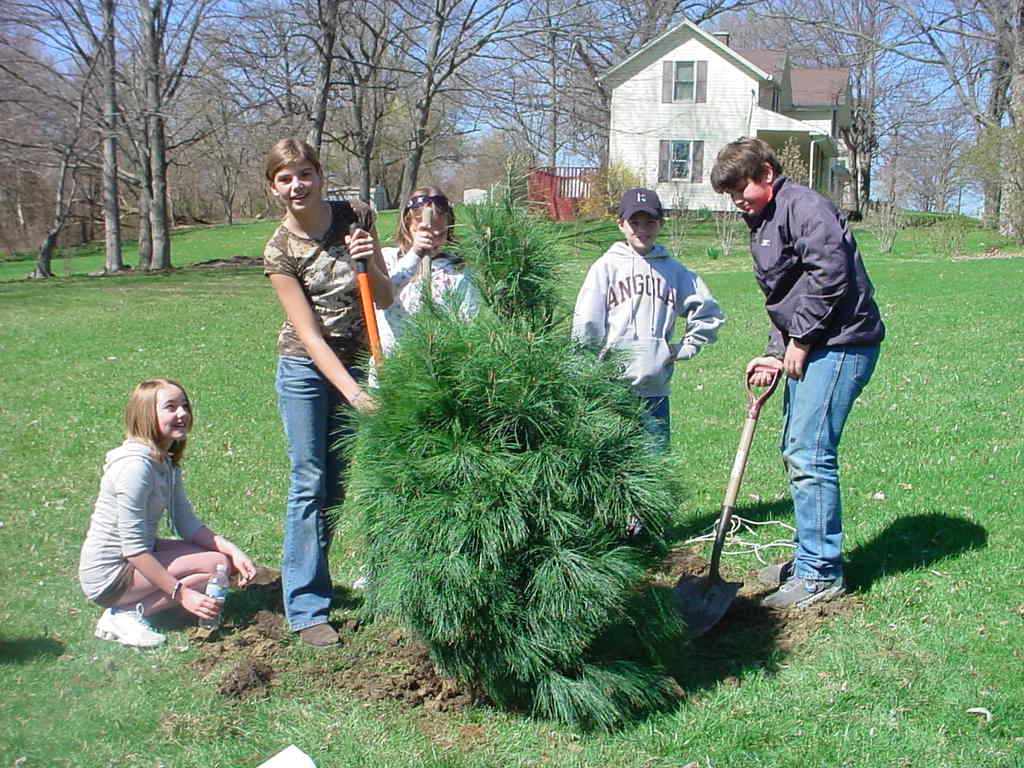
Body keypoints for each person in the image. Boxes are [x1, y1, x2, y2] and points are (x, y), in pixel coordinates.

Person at [710, 137, 885, 609]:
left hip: (844, 342)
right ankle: (810, 556)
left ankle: (821, 573)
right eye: (728, 197)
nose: (736, 203)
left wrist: (801, 340)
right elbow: (783, 297)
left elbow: (831, 277)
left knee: (810, 452)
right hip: (813, 343)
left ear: (766, 174)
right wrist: (776, 351)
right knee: (797, 448)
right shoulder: (762, 221)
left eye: (739, 191)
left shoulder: (808, 208)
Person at [262, 138, 394, 648]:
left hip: (357, 357)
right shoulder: (279, 250)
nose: (297, 185)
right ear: (274, 186)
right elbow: (310, 335)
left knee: (336, 485)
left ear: (319, 174)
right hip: (306, 369)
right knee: (309, 480)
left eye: (305, 174)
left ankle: (319, 588)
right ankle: (305, 607)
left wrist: (371, 260)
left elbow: (384, 296)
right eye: (285, 178)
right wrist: (354, 394)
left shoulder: (356, 215)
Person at [78, 379, 257, 649]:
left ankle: (142, 606)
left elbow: (187, 524)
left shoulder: (164, 462)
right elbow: (134, 550)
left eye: (185, 406)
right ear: (146, 414)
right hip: (110, 574)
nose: (183, 414)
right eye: (171, 407)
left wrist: (232, 550)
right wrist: (181, 593)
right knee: (213, 569)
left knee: (220, 563)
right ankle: (124, 614)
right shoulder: (135, 469)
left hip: (137, 556)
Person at [572, 188, 724, 450]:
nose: (642, 229)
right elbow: (587, 322)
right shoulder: (606, 267)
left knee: (656, 468)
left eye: (650, 222)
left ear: (661, 224)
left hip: (655, 390)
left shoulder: (674, 271)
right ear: (621, 224)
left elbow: (708, 311)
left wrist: (685, 347)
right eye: (634, 222)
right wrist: (586, 372)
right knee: (613, 466)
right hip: (611, 390)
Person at [376, 186, 479, 357]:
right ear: (407, 225)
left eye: (440, 234)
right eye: (422, 232)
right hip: (391, 363)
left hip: (437, 365)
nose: (432, 240)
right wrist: (415, 254)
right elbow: (384, 296)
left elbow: (468, 324)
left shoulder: (457, 272)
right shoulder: (387, 260)